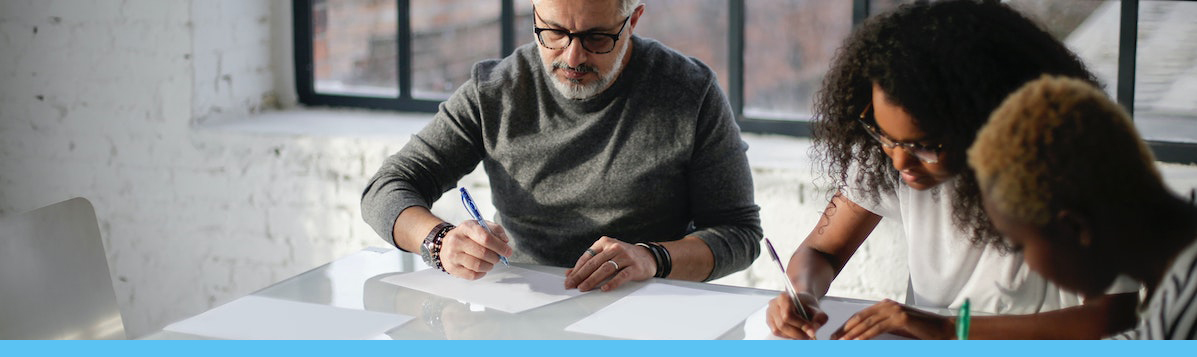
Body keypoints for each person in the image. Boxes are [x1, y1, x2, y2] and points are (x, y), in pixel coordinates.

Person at [765, 0, 1139, 339]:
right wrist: (802, 294)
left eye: (924, 146)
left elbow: (1113, 314)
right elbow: (821, 250)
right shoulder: (889, 155)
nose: (898, 161)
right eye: (883, 135)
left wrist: (947, 328)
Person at [361, 0, 762, 292]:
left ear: (633, 20)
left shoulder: (689, 91)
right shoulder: (496, 90)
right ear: (534, 13)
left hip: (648, 306)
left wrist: (652, 258)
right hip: (524, 308)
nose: (572, 56)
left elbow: (740, 234)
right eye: (553, 32)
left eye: (596, 37)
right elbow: (386, 188)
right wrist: (440, 241)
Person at [969, 75, 1197, 340]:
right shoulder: (1177, 266)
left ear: (1075, 227)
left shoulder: (1187, 302)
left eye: (1019, 245)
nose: (1027, 263)